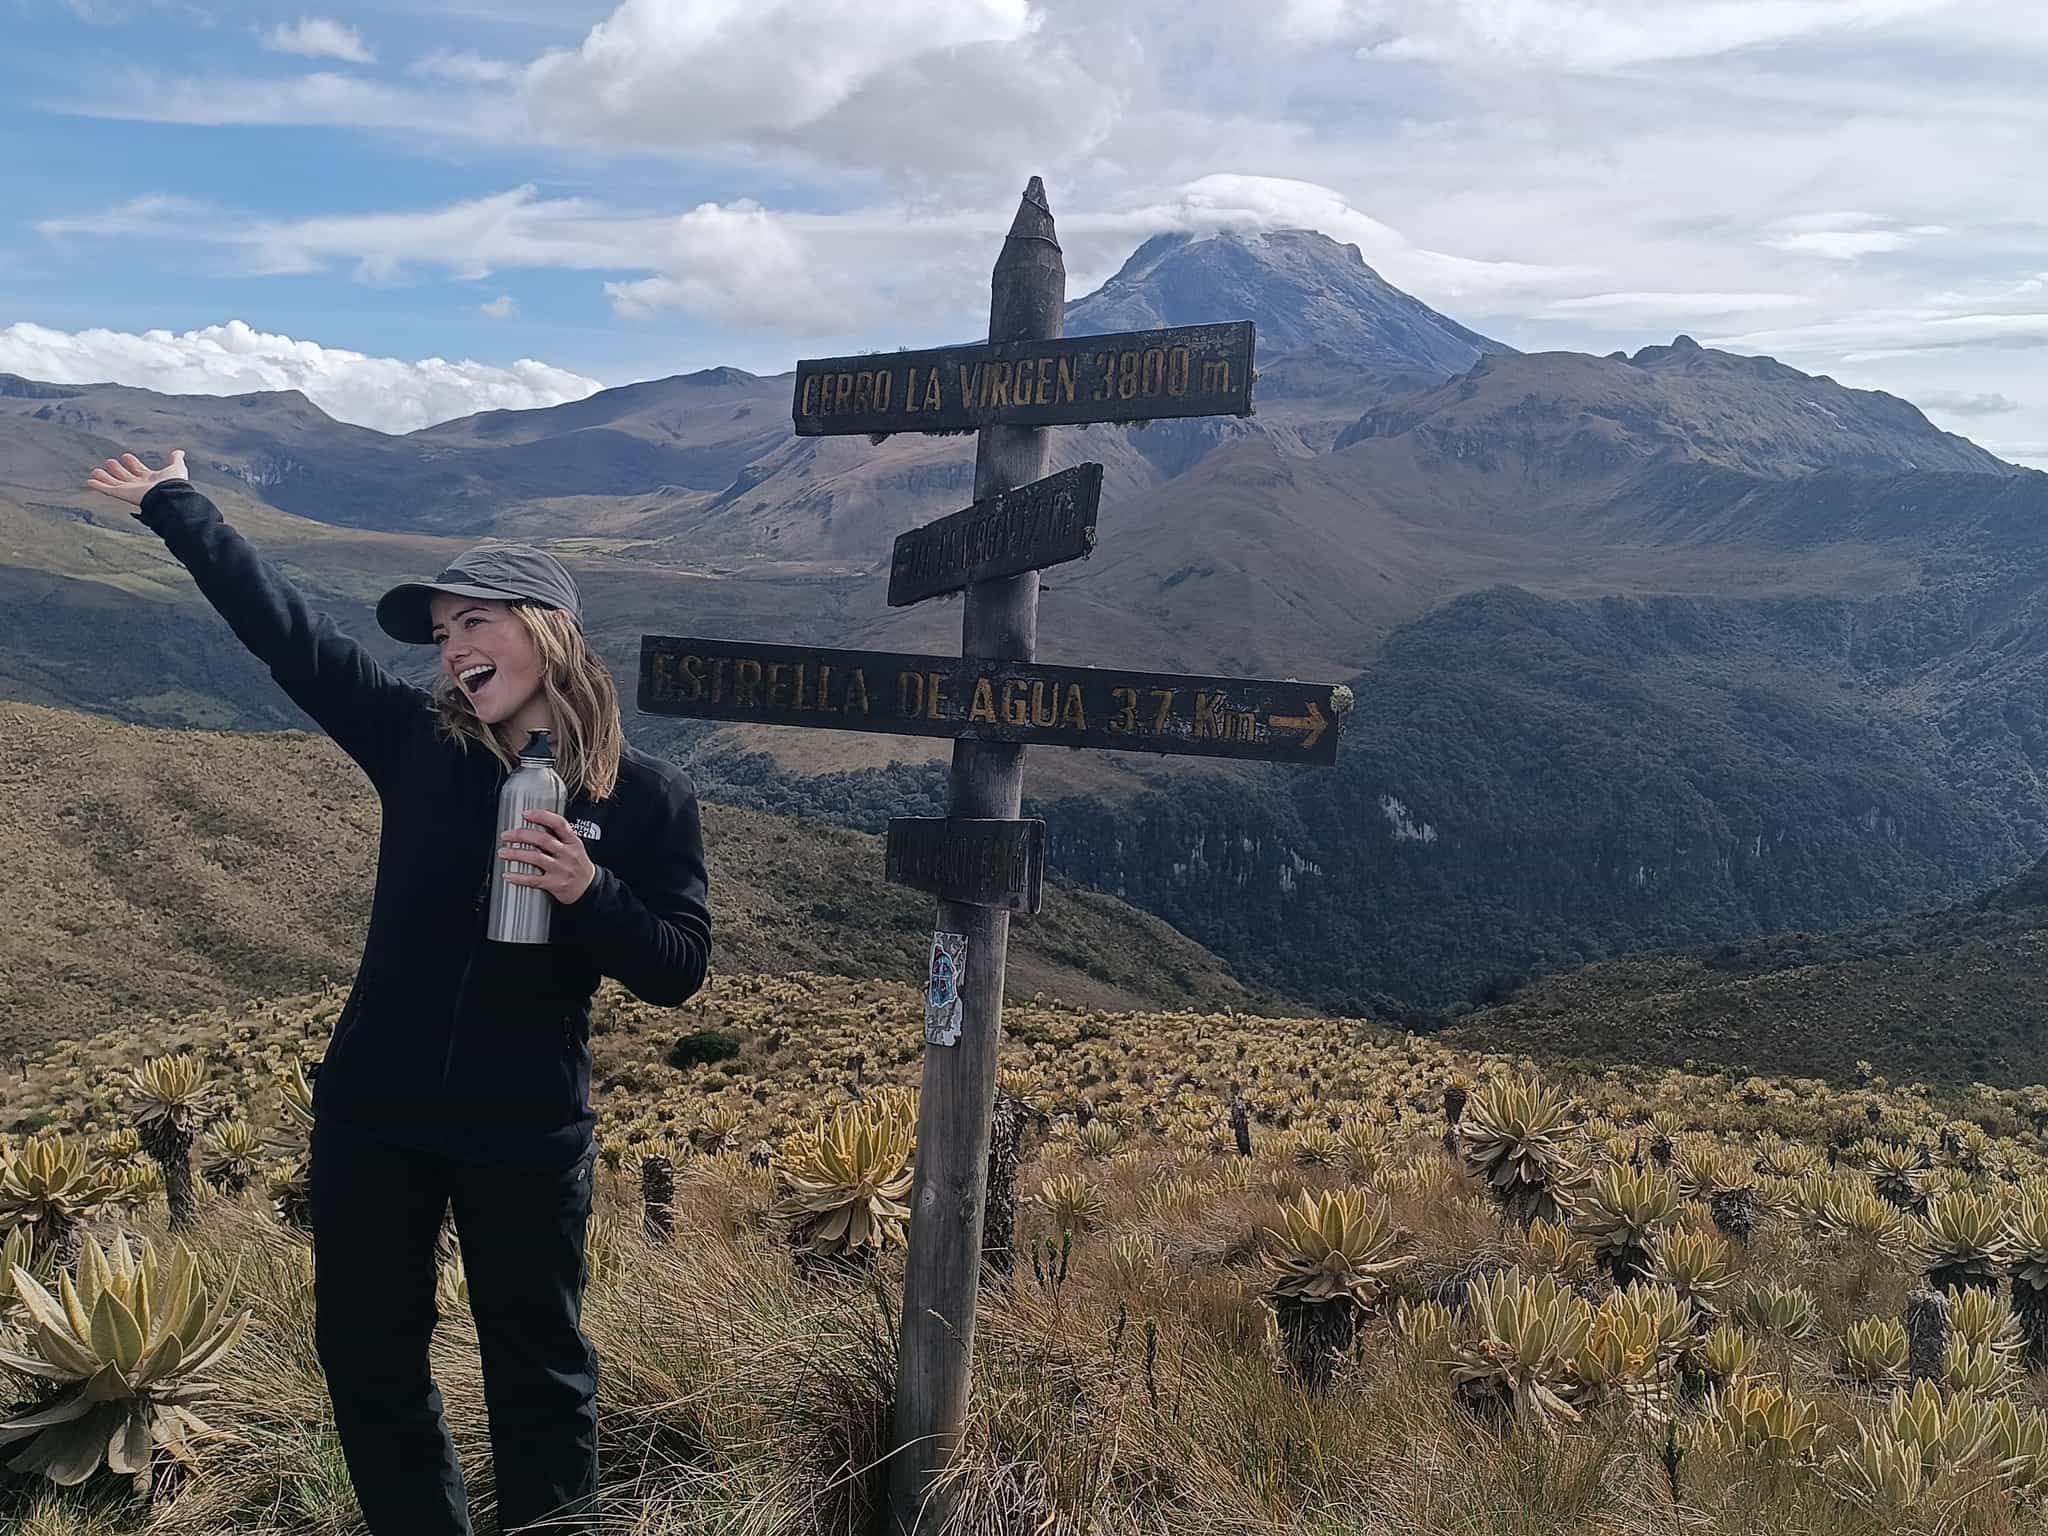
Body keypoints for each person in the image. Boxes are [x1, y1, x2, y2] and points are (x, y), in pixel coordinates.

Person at [86, 450, 713, 1535]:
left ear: (547, 627)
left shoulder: (648, 796)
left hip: (525, 1127)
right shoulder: (419, 749)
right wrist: (174, 505)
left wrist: (591, 891)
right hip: (375, 1114)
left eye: (477, 622)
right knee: (368, 1359)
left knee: (541, 1372)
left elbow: (679, 967)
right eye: (442, 635)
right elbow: (289, 635)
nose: (455, 649)